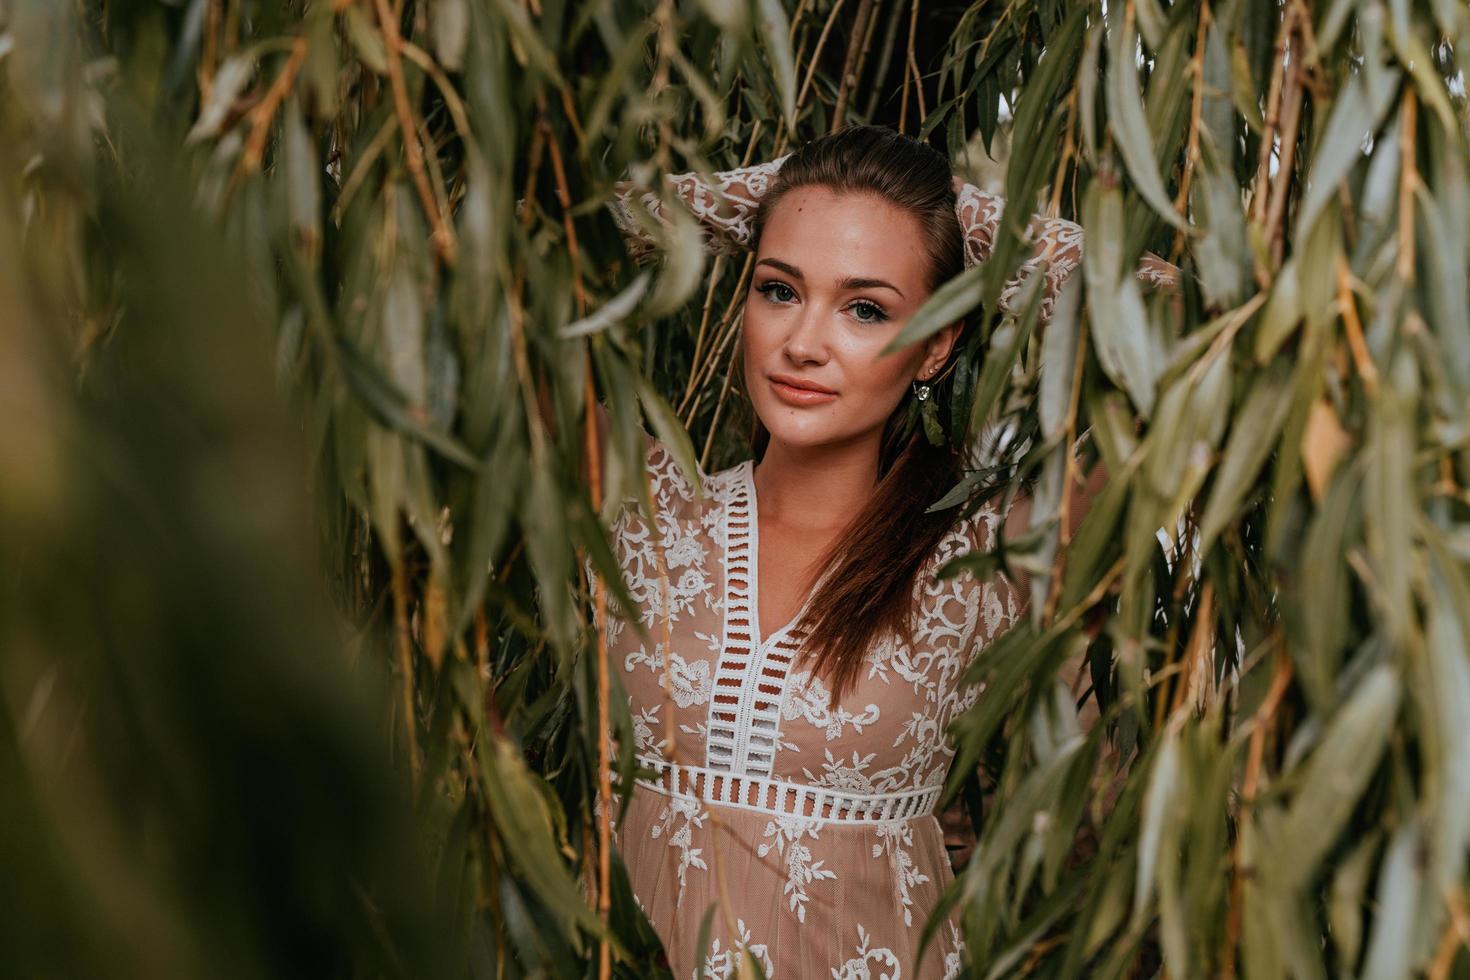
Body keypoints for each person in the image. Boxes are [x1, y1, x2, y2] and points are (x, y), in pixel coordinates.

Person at [584, 125, 1175, 979]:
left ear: (937, 342)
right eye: (779, 290)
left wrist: (970, 226)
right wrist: (753, 198)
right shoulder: (641, 504)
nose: (803, 344)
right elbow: (508, 259)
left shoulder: (987, 547)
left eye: (866, 308)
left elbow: (1179, 322)